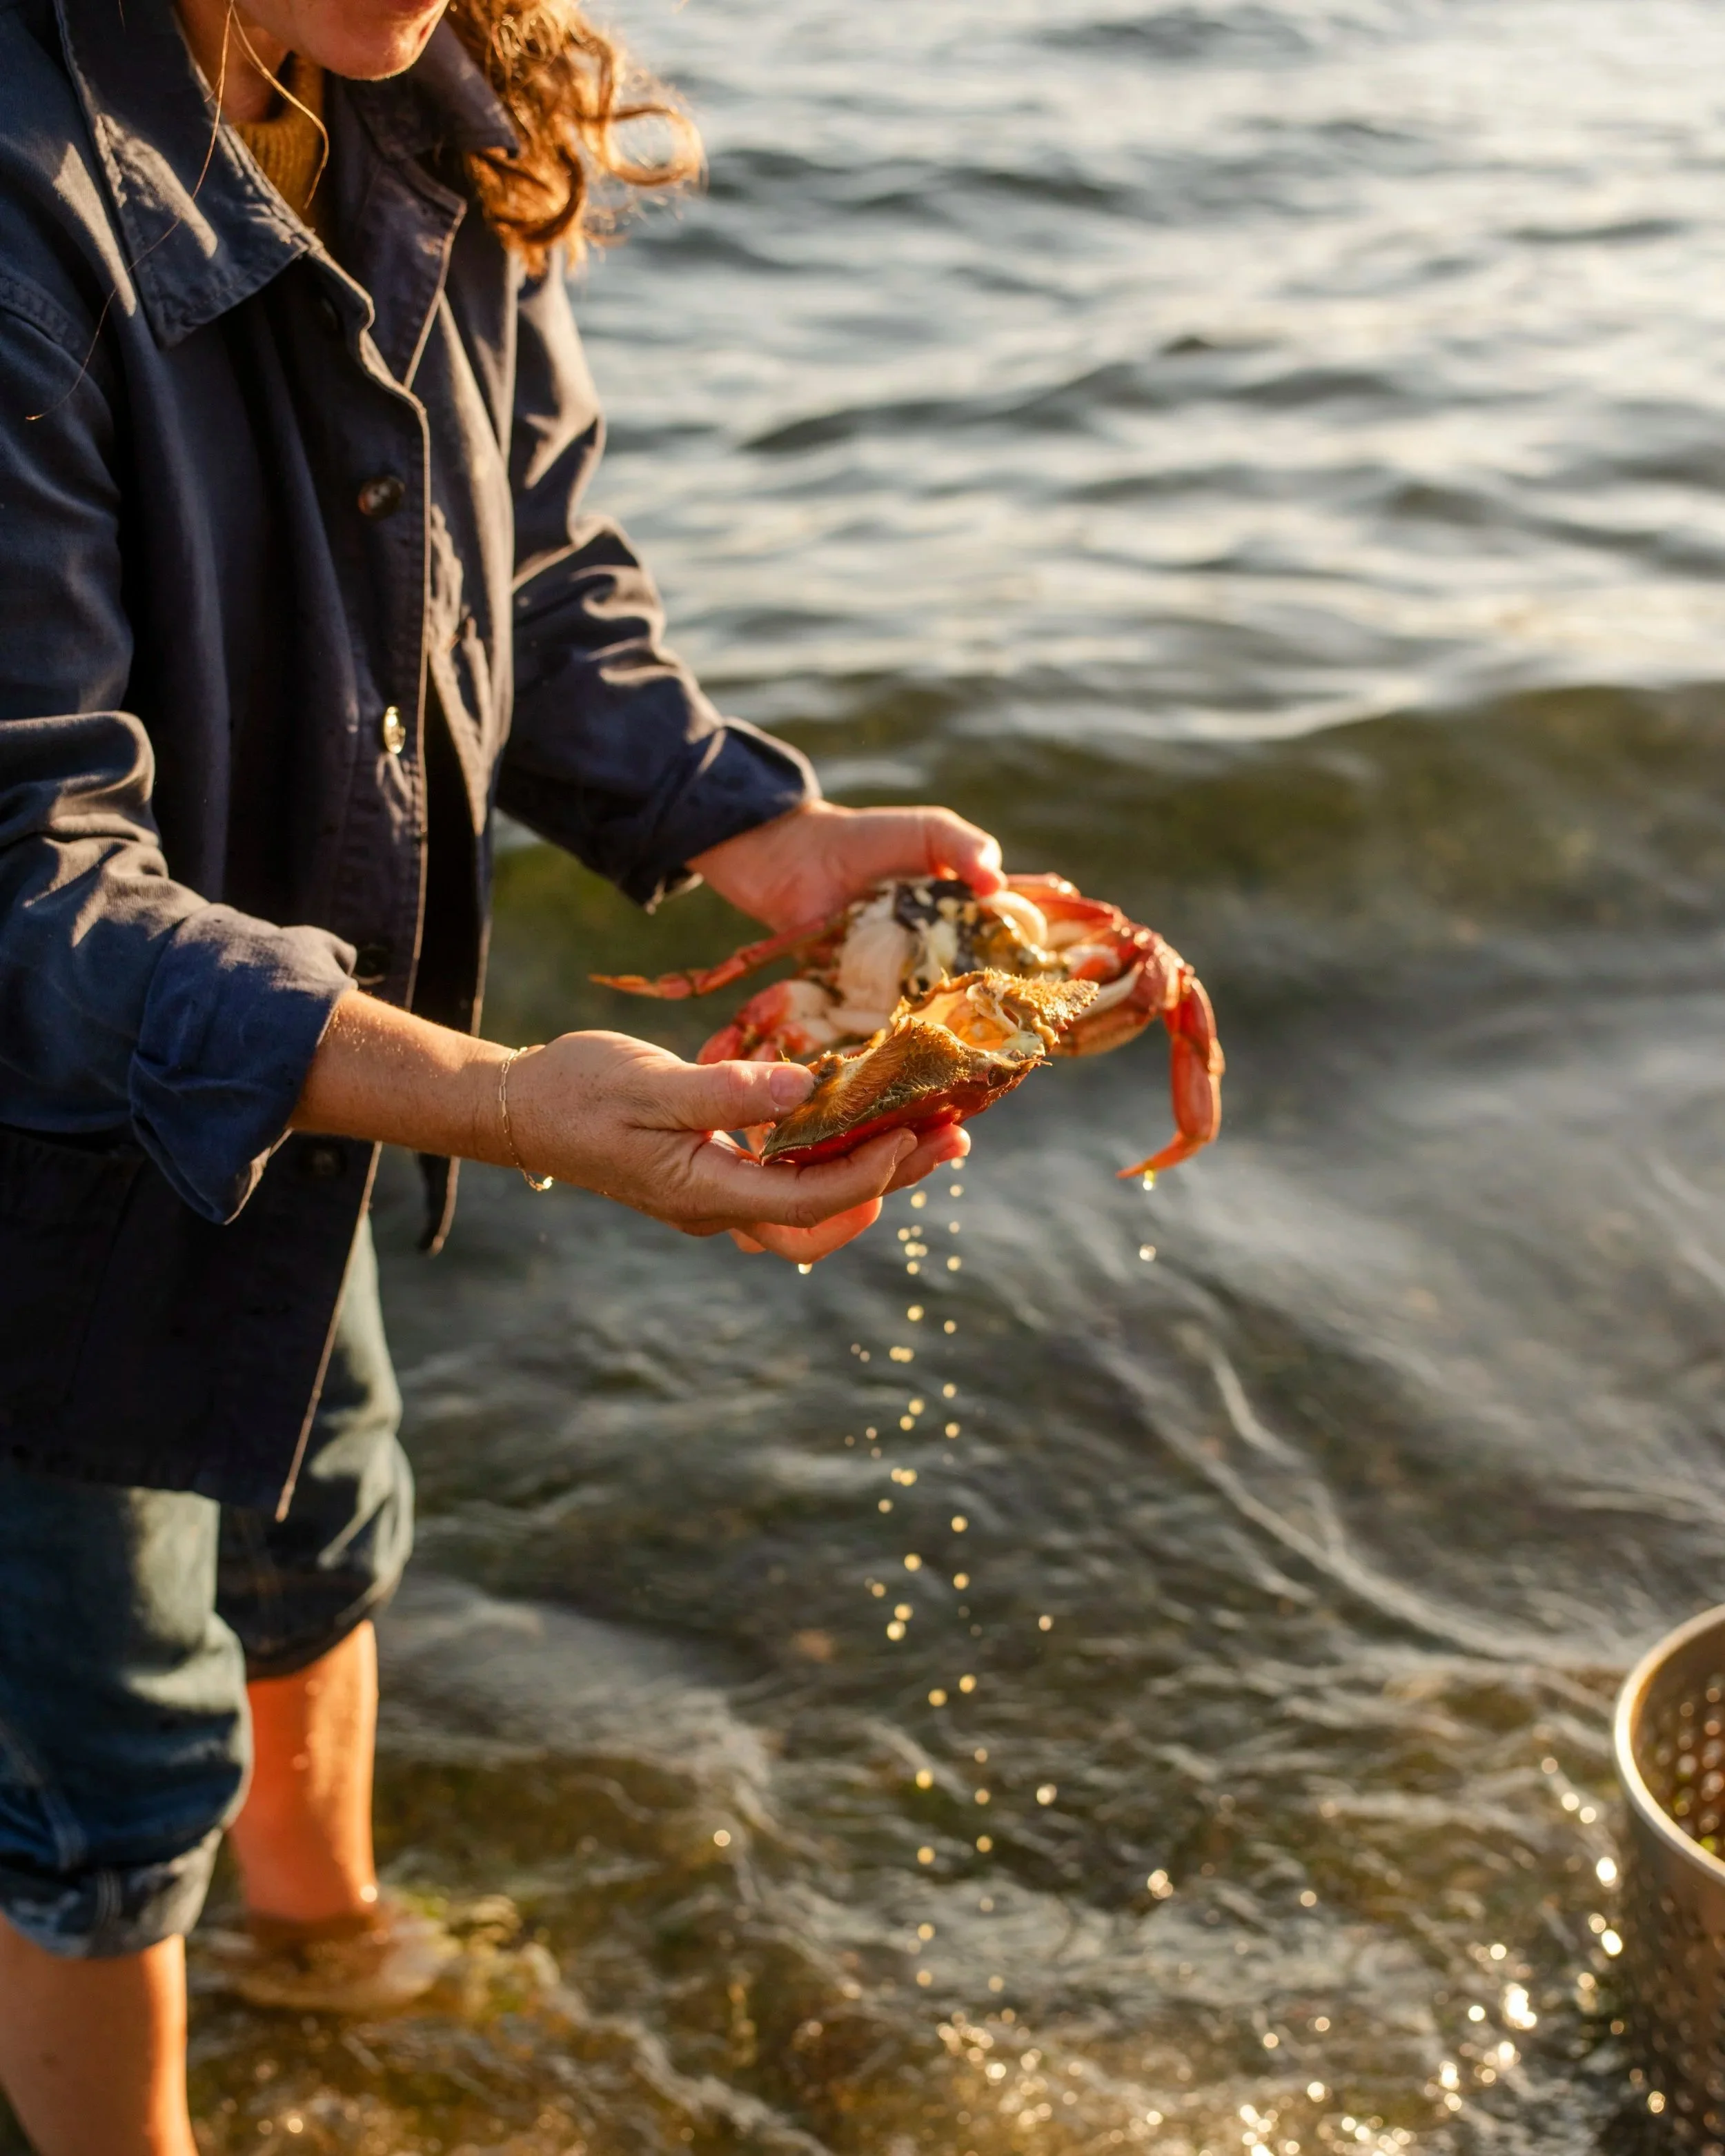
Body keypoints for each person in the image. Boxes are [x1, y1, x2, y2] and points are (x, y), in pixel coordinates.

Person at [0, 0, 1004, 2143]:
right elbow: (27, 877)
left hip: (303, 1080)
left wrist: (750, 825)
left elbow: (521, 575)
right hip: (43, 1153)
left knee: (318, 1532)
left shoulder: (433, 98)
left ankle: (330, 1946)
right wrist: (489, 1094)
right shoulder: (21, 187)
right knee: (99, 1766)